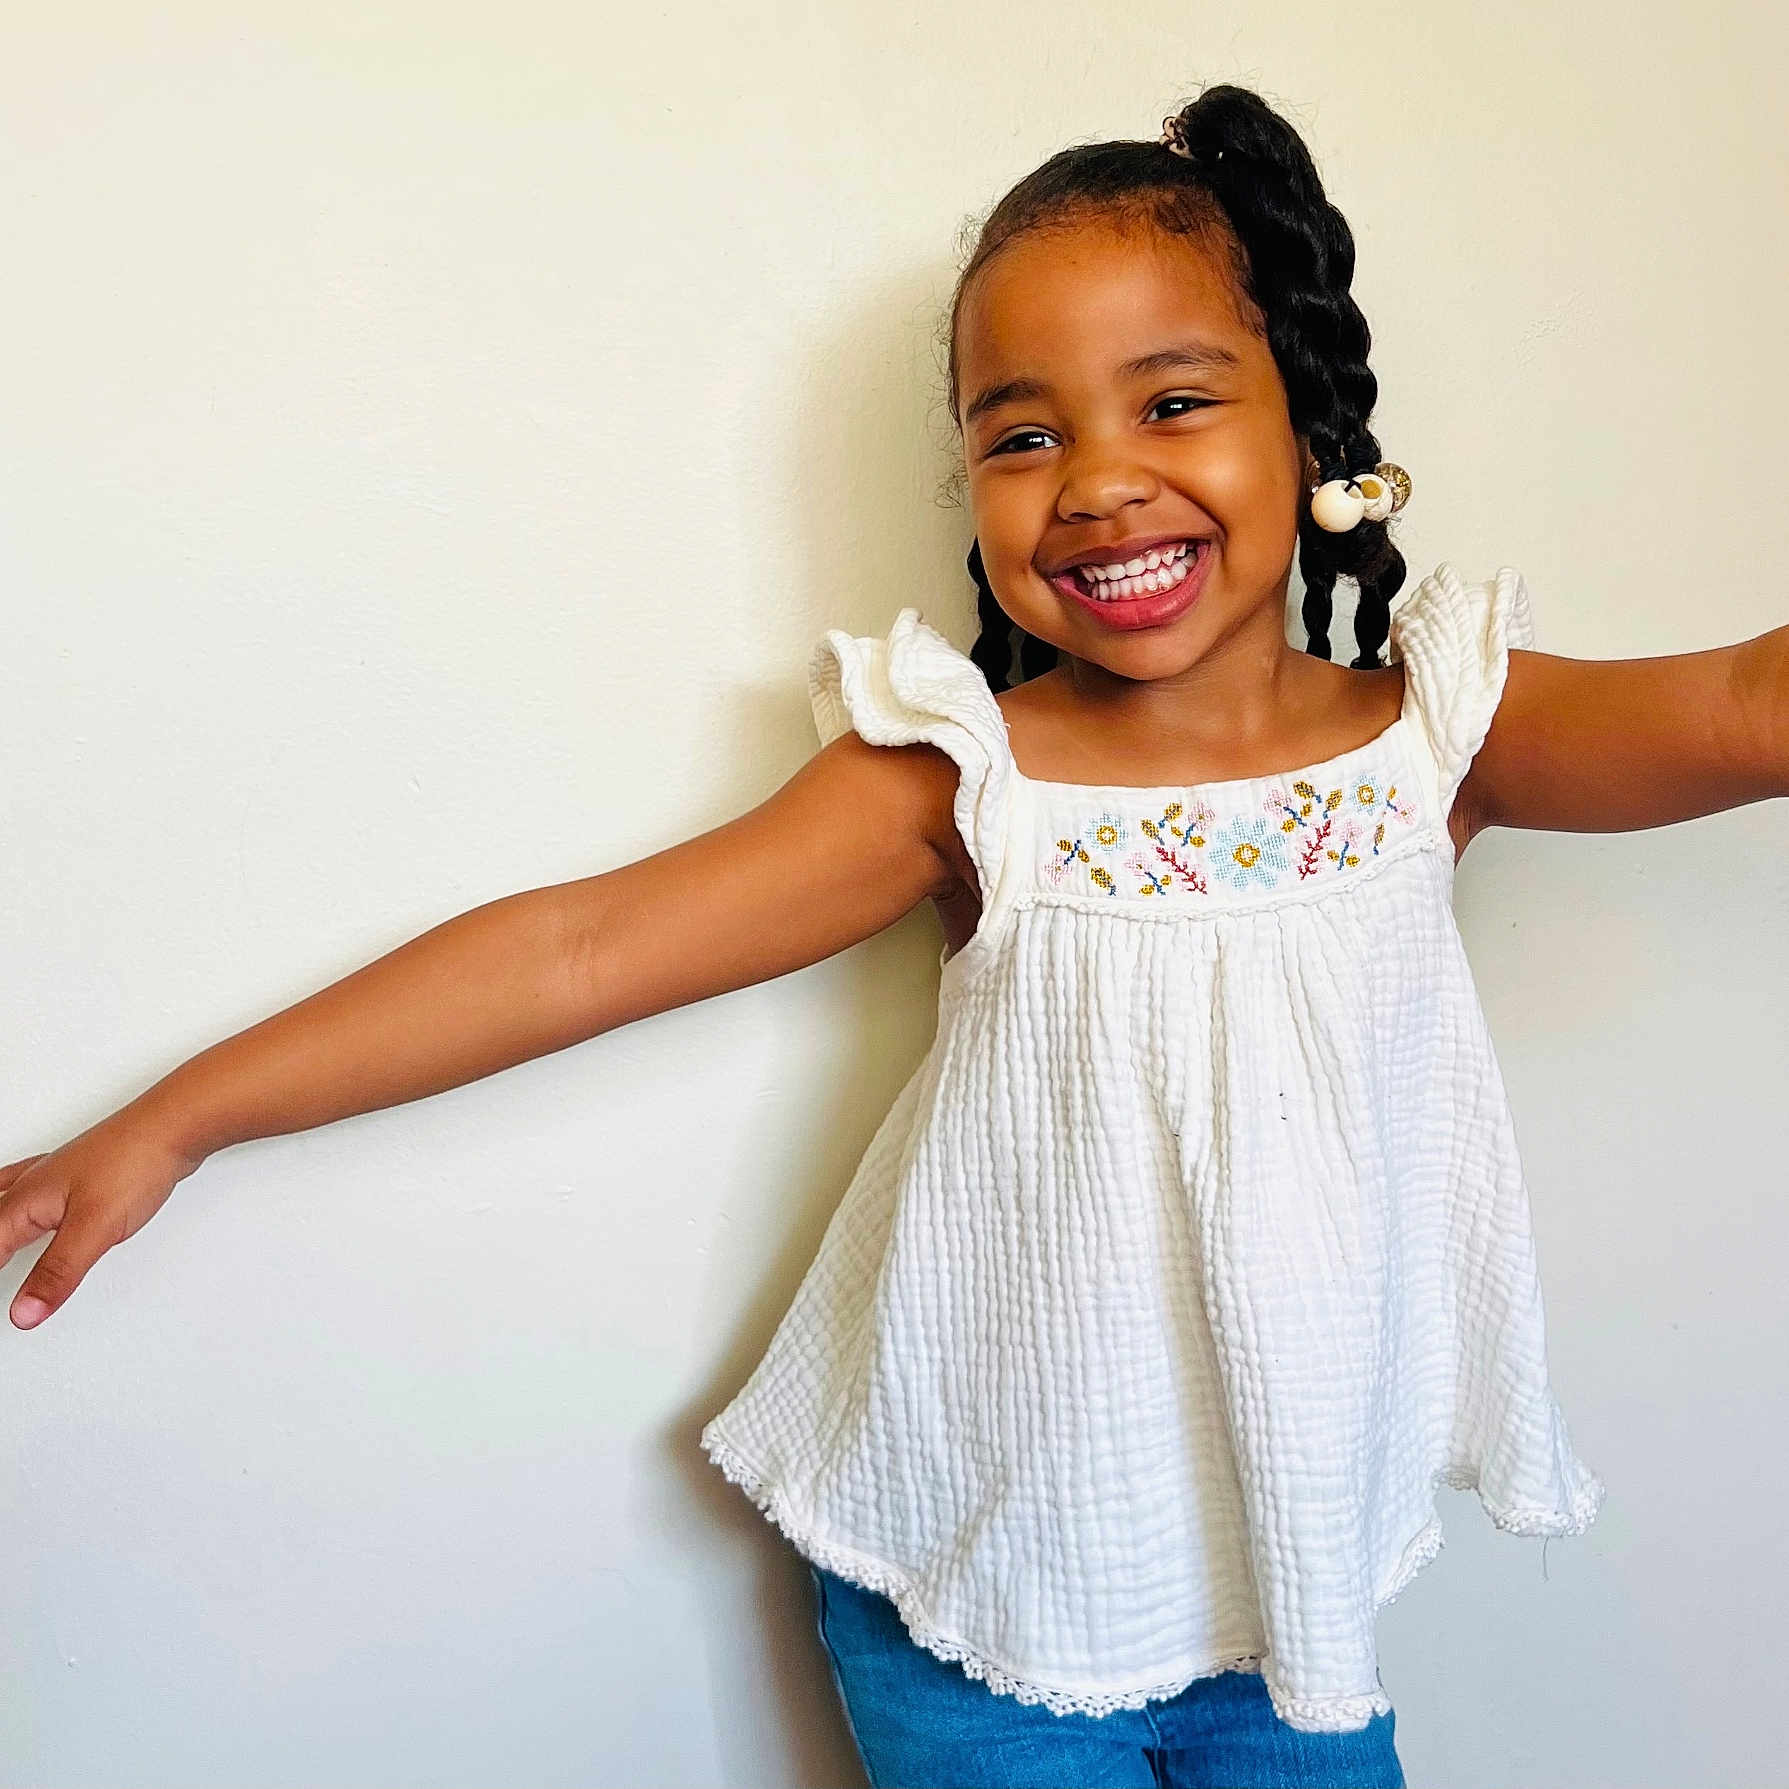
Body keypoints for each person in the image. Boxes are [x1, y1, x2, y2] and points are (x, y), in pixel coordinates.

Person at [4, 79, 1785, 1789]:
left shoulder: (1438, 737)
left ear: (1308, 423)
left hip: (1283, 1574)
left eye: (1172, 403)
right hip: (977, 1572)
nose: (1094, 480)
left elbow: (1744, 704)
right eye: (1022, 433)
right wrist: (179, 1115)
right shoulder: (962, 781)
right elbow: (579, 950)